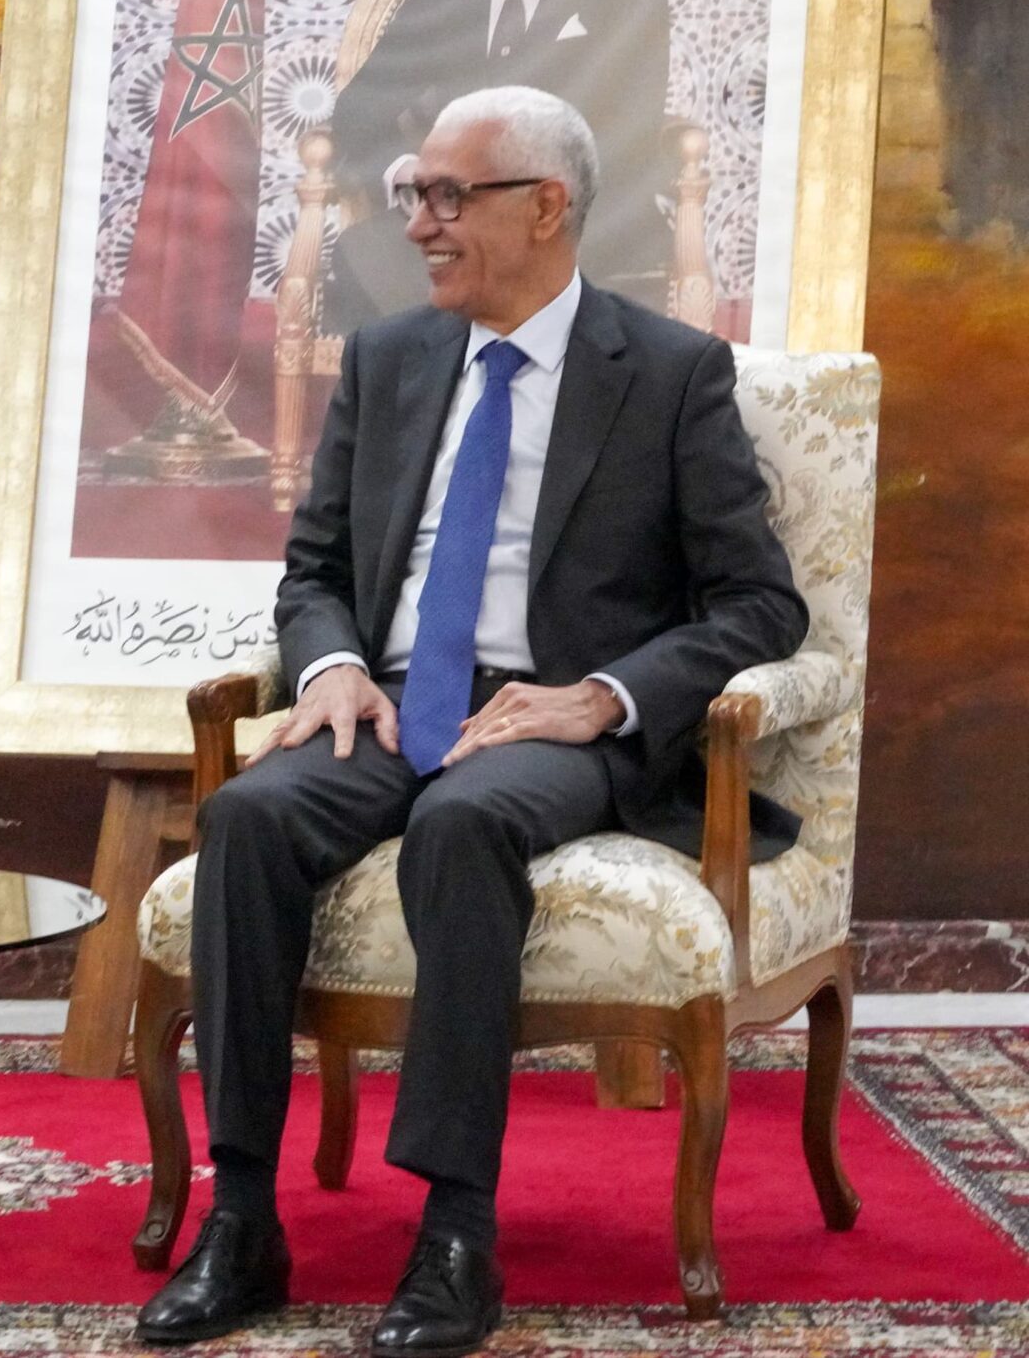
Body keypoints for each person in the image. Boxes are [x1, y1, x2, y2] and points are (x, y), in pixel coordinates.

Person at [137, 87, 805, 1357]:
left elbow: (760, 602)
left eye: (451, 197)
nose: (422, 224)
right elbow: (314, 567)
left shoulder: (664, 373)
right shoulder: (387, 358)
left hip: (549, 726)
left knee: (463, 823)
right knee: (244, 816)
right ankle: (240, 1218)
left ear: (546, 206)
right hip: (387, 702)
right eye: (413, 194)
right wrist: (328, 663)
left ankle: (453, 1234)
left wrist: (602, 696)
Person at [329, 0, 674, 320]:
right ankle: (427, 397)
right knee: (362, 257)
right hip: (451, 216)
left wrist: (518, 208)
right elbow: (358, 110)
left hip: (572, 222)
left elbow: (631, 128)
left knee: (506, 276)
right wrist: (408, 172)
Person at [934, 0, 1017, 238]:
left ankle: (970, 210)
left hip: (961, 51)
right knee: (991, 131)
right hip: (995, 57)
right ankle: (982, 210)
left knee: (966, 131)